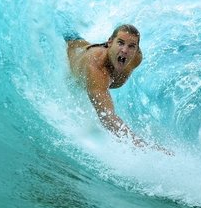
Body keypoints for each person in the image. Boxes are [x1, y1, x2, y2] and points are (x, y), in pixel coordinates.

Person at [64, 24, 170, 154]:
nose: (125, 50)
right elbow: (107, 118)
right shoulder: (96, 69)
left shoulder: (135, 58)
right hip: (72, 48)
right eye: (120, 43)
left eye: (131, 46)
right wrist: (144, 147)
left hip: (85, 46)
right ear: (110, 42)